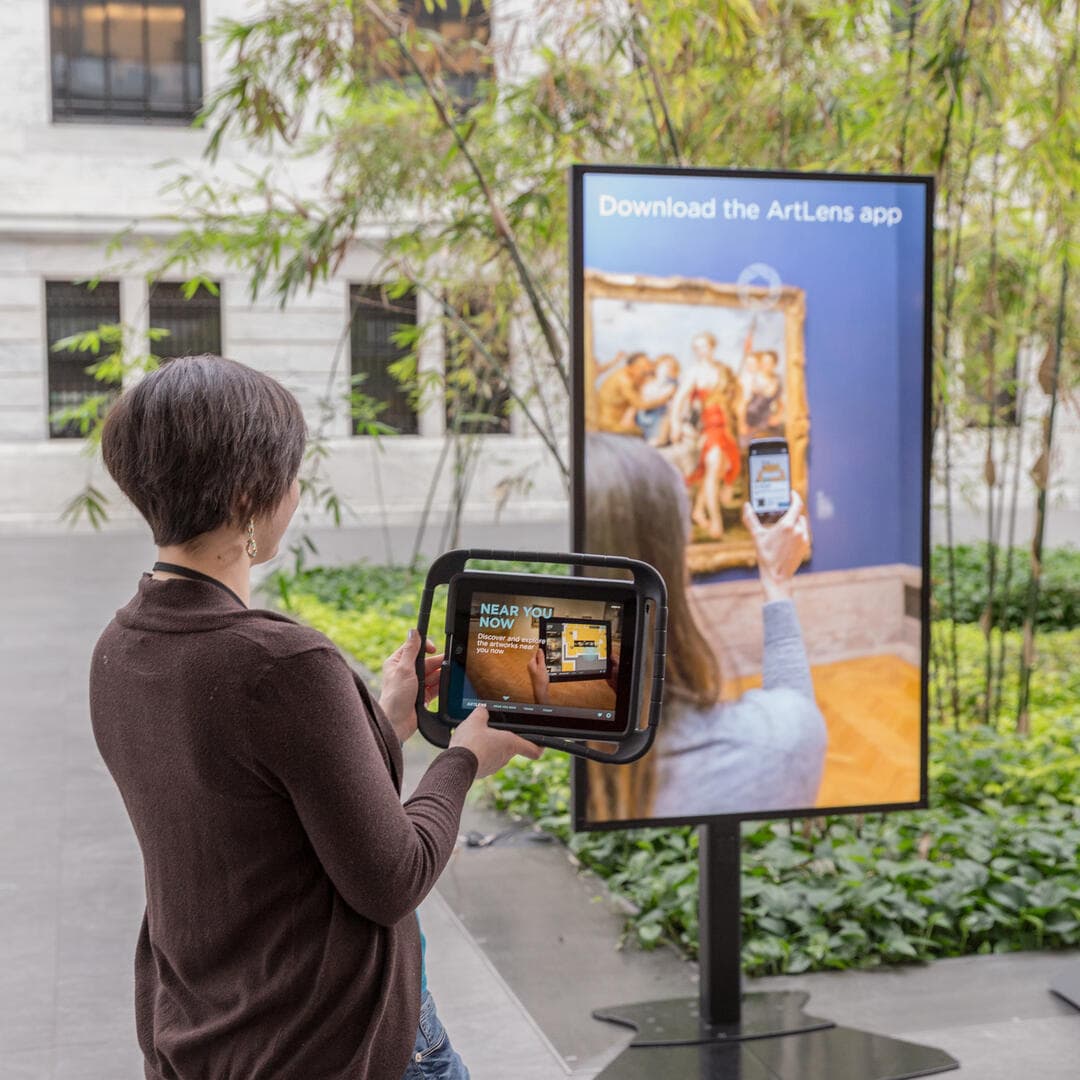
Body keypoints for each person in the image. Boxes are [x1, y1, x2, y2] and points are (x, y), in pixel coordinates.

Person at [88, 354, 541, 1080]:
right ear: (247, 496)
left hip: (205, 1032)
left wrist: (386, 720)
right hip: (330, 1042)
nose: (296, 491)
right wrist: (466, 759)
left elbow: (256, 806)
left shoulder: (120, 649)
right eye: (290, 475)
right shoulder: (283, 665)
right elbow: (393, 876)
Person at [583, 432, 826, 822]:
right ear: (670, 560)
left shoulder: (539, 736)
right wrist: (776, 582)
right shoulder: (758, 751)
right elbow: (796, 725)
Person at [669, 332, 745, 539]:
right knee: (713, 469)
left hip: (726, 427)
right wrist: (675, 424)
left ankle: (698, 510)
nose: (701, 351)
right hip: (710, 427)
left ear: (712, 347)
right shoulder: (695, 373)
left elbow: (737, 393)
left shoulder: (723, 370)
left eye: (704, 346)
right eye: (697, 347)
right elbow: (679, 400)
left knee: (718, 470)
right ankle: (716, 521)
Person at [595, 352, 674, 435]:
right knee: (642, 432)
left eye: (648, 365)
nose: (648, 368)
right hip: (611, 423)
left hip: (620, 420)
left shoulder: (632, 376)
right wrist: (664, 398)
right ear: (631, 367)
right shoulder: (624, 379)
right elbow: (639, 404)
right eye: (643, 366)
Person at [635, 354, 681, 445]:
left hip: (659, 416)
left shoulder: (673, 384)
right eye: (665, 365)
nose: (667, 368)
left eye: (671, 366)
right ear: (657, 366)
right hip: (642, 416)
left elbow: (664, 401)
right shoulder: (646, 381)